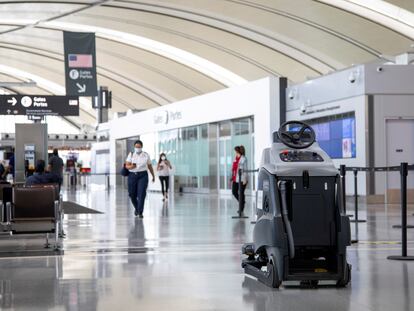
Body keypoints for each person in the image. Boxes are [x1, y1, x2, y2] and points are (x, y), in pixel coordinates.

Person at [125, 140, 155, 218]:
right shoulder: (131, 154)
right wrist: (131, 167)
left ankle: (140, 212)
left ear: (141, 147)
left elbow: (150, 166)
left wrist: (153, 175)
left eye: (139, 147)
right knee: (132, 194)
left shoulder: (146, 155)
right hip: (132, 175)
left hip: (143, 175)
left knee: (141, 194)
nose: (137, 148)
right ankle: (137, 208)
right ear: (134, 147)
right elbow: (127, 166)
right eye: (136, 147)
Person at [231, 145, 248, 214]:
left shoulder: (244, 159)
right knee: (234, 192)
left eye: (236, 151)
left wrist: (245, 179)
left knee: (241, 193)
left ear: (238, 151)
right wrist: (232, 177)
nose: (235, 153)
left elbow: (246, 169)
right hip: (235, 178)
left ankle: (241, 208)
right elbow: (234, 168)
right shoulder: (235, 158)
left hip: (242, 179)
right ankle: (242, 202)